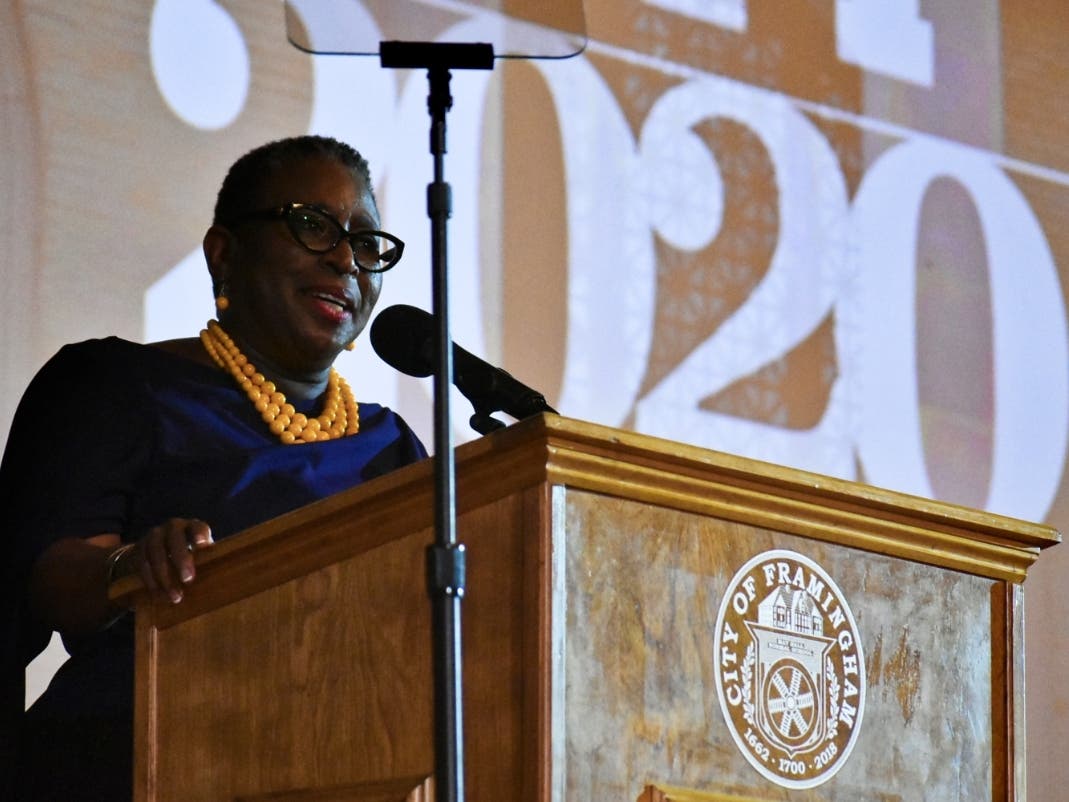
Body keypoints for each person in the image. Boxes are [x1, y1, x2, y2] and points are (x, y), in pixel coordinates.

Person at [0, 135, 427, 800]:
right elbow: (48, 576)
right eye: (311, 225)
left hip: (341, 770)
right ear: (224, 253)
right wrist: (133, 568)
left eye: (366, 244)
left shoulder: (388, 446)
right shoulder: (116, 384)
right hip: (129, 762)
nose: (345, 258)